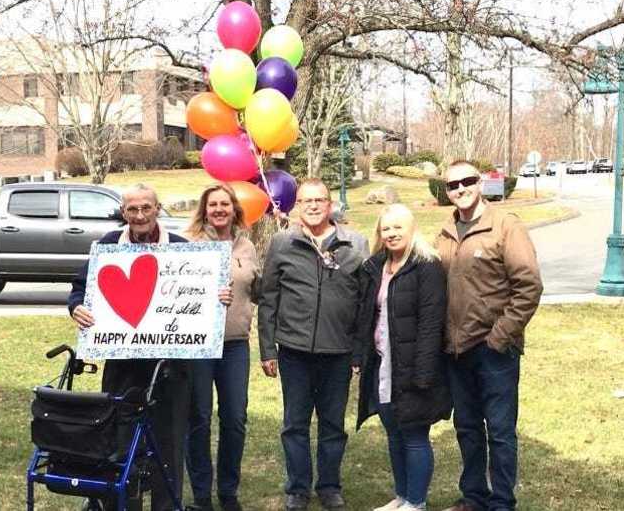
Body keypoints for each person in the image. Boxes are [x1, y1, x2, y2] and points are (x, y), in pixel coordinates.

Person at [68, 183, 232, 511]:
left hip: (170, 366)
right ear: (123, 212)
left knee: (169, 443)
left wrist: (217, 299)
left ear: (157, 209)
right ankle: (122, 504)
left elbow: (203, 295)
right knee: (120, 439)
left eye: (146, 208)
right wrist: (76, 307)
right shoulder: (108, 246)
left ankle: (165, 506)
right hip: (123, 365)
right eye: (132, 209)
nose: (140, 216)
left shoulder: (183, 248)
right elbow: (79, 289)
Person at [436, 161, 543, 511]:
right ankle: (474, 497)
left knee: (499, 432)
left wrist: (500, 337)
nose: (460, 189)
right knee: (467, 430)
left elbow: (528, 287)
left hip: (494, 350)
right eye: (453, 185)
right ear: (446, 190)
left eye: (467, 181)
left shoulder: (505, 227)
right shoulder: (445, 233)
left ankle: (501, 502)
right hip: (456, 350)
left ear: (479, 183)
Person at [258, 178, 369, 511]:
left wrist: (359, 352)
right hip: (294, 351)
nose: (313, 205)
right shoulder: (282, 243)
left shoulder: (355, 244)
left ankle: (330, 485)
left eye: (320, 199)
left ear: (331, 203)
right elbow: (268, 299)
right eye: (306, 200)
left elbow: (365, 304)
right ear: (297, 205)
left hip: (339, 352)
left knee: (333, 425)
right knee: (295, 424)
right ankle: (298, 488)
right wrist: (267, 349)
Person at [354, 204, 450, 511]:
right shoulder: (376, 266)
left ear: (412, 229)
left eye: (398, 227)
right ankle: (402, 496)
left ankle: (417, 502)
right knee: (393, 433)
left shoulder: (426, 266)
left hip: (412, 367)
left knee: (414, 435)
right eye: (386, 228)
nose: (392, 234)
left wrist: (423, 374)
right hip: (382, 364)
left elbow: (431, 322)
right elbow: (366, 315)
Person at [183, 184, 260, 511]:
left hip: (235, 346)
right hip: (199, 346)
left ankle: (228, 491)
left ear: (234, 209)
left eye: (224, 204)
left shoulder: (247, 247)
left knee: (235, 419)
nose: (218, 209)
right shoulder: (188, 245)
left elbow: (258, 291)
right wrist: (205, 296)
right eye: (212, 204)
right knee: (198, 418)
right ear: (204, 209)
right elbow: (175, 292)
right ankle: (202, 494)